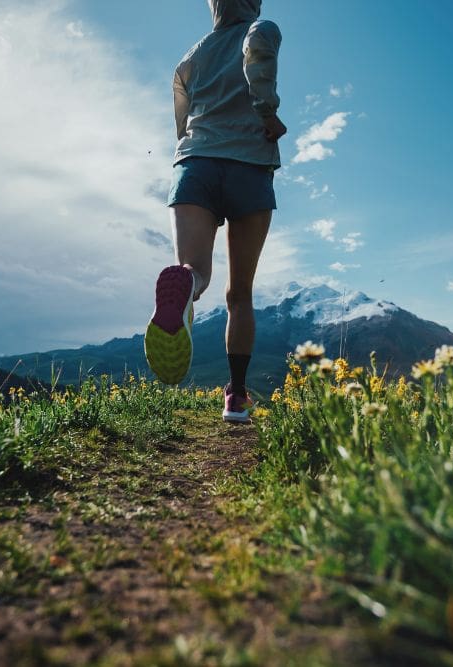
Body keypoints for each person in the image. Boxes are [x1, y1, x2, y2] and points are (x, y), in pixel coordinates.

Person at [144, 0, 285, 424]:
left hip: (194, 164)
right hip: (248, 164)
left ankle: (185, 283)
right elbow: (257, 59)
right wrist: (268, 113)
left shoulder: (191, 57)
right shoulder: (260, 29)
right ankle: (236, 397)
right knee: (239, 293)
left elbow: (181, 121)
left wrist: (197, 149)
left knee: (194, 270)